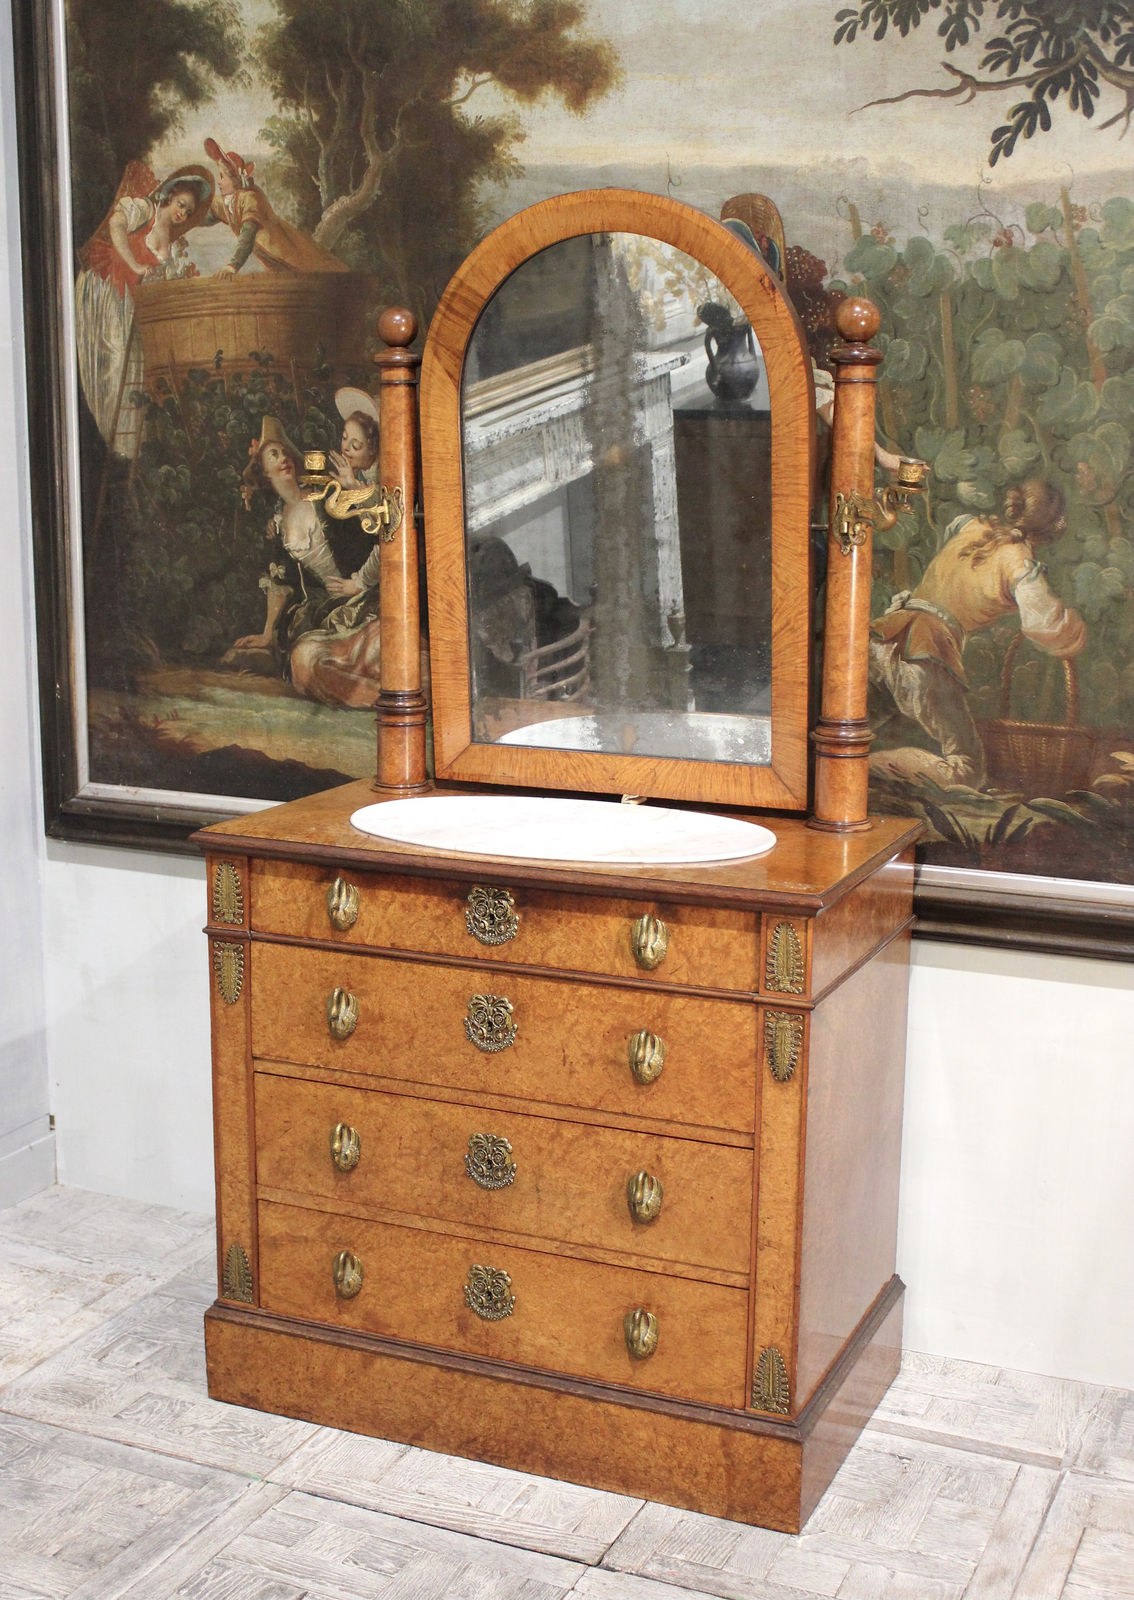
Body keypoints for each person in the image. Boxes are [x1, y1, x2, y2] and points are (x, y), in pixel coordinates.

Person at [869, 478, 1086, 786]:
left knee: (850, 732)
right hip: (924, 651)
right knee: (968, 770)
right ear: (1050, 529)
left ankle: (854, 771)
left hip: (882, 638)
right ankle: (865, 769)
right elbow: (1043, 625)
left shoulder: (967, 525)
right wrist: (1073, 630)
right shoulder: (1020, 564)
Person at [230, 416, 381, 707]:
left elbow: (376, 535)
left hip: (364, 600)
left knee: (373, 648)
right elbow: (281, 582)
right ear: (264, 472)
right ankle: (374, 695)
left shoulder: (326, 494)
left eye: (285, 451)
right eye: (274, 454)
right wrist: (266, 633)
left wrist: (359, 583)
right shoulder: (278, 523)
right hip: (327, 613)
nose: (284, 456)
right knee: (304, 664)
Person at [75, 162, 213, 452]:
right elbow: (116, 224)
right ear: (169, 195)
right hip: (109, 289)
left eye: (188, 211)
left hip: (131, 304)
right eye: (180, 204)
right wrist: (135, 264)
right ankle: (104, 438)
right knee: (113, 357)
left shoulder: (173, 241)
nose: (182, 213)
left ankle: (124, 448)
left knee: (135, 368)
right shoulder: (145, 210)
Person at [204, 138, 348, 276]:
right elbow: (210, 213)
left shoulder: (251, 198)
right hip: (272, 259)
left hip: (286, 253)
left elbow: (247, 236)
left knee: (322, 272)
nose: (218, 181)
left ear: (235, 180)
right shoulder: (230, 200)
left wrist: (232, 265)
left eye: (222, 177)